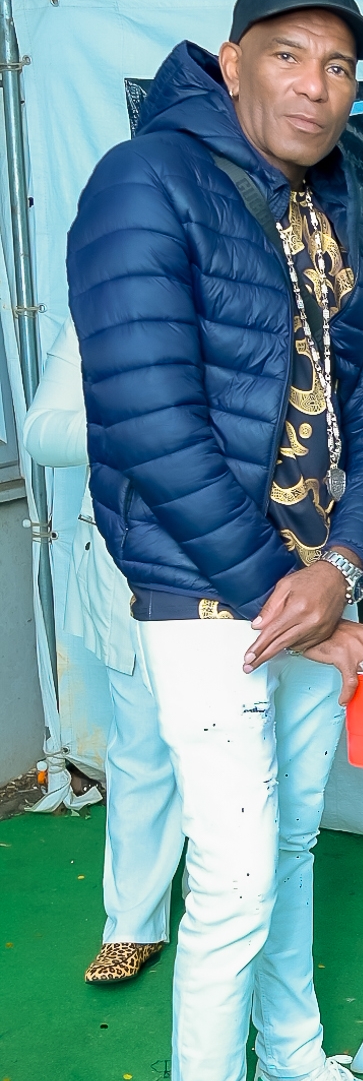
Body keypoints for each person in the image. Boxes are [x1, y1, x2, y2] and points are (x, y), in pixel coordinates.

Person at [67, 0, 363, 1081]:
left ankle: (292, 1064)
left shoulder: (329, 199)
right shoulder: (143, 184)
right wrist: (292, 593)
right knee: (234, 880)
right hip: (206, 598)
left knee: (297, 838)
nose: (318, 88)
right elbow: (146, 420)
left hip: (306, 591)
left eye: (339, 67)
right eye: (289, 57)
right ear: (230, 64)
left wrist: (344, 568)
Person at [22, 319, 185, 983]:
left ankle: (244, 908)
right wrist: (132, 428)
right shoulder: (97, 312)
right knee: (143, 745)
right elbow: (40, 432)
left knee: (256, 743)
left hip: (249, 557)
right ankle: (133, 924)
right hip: (130, 559)